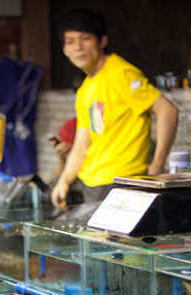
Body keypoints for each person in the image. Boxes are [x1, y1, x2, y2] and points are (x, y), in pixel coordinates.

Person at [51, 9, 178, 213]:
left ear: (102, 42)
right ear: (64, 49)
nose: (78, 48)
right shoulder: (86, 88)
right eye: (71, 41)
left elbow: (168, 111)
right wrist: (64, 180)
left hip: (121, 183)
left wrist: (157, 165)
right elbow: (82, 143)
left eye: (85, 39)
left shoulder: (121, 73)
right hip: (92, 184)